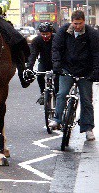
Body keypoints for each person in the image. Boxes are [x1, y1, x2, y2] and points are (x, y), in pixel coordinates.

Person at [49, 10, 99, 141]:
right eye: (75, 23)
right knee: (62, 93)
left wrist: (95, 72)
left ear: (84, 21)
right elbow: (56, 48)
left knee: (86, 100)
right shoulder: (64, 31)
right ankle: (57, 120)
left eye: (80, 23)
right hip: (67, 68)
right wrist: (57, 65)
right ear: (71, 22)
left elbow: (96, 54)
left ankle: (88, 128)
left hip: (85, 71)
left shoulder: (92, 34)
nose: (78, 26)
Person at [27, 22, 58, 105]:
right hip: (44, 62)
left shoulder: (56, 39)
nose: (45, 36)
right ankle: (43, 93)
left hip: (56, 62)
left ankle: (57, 96)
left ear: (51, 33)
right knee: (40, 76)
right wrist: (29, 68)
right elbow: (33, 54)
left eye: (47, 34)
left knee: (57, 79)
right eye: (43, 34)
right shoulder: (37, 40)